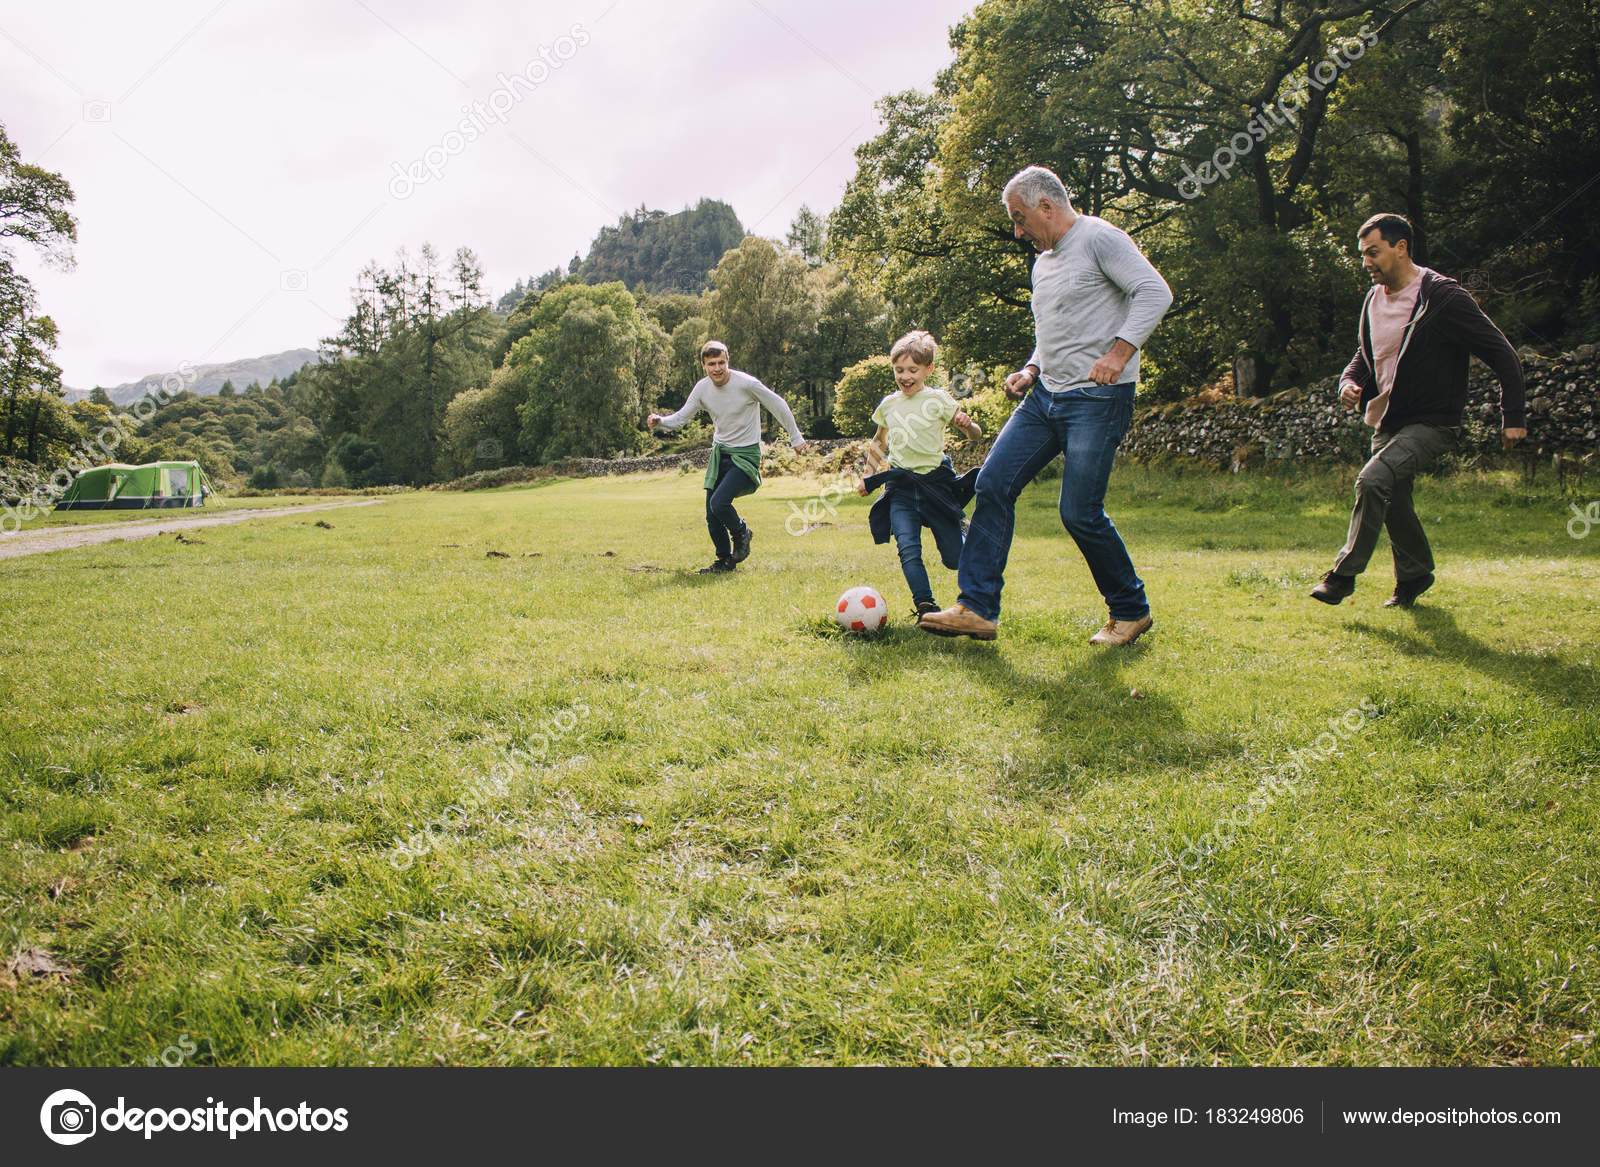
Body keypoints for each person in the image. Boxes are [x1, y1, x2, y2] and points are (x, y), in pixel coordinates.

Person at [920, 165, 1172, 645]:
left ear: (1047, 207)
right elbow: (1052, 330)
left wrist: (1119, 354)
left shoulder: (1100, 238)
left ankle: (1130, 610)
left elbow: (1154, 291)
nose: (1018, 231)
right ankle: (976, 608)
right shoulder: (1043, 262)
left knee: (1079, 511)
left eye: (1020, 219)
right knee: (992, 483)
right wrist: (1032, 369)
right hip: (1045, 397)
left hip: (1097, 400)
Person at [1310, 213, 1526, 608]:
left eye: (1373, 253)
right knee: (1392, 499)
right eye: (1362, 255)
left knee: (1373, 481)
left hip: (1432, 421)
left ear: (1401, 247)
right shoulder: (1373, 299)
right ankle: (1414, 576)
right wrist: (1348, 381)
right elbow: (1365, 352)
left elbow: (1502, 353)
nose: (1366, 263)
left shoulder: (1442, 297)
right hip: (1386, 419)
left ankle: (1341, 577)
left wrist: (1513, 416)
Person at [854, 330, 983, 625]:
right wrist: (867, 475)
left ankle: (967, 537)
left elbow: (975, 435)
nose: (905, 376)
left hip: (935, 486)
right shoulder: (889, 405)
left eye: (913, 370)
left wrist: (967, 425)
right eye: (899, 370)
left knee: (954, 559)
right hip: (900, 487)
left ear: (928, 370)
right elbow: (878, 442)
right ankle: (926, 607)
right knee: (908, 548)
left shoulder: (938, 399)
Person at [648, 341, 807, 573]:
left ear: (727, 361)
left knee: (719, 503)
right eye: (711, 364)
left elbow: (778, 404)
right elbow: (682, 418)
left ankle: (742, 532)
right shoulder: (702, 389)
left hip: (745, 455)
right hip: (720, 453)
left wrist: (796, 437)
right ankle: (723, 561)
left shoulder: (746, 384)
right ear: (704, 365)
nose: (717, 368)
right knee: (712, 515)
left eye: (721, 362)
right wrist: (661, 421)